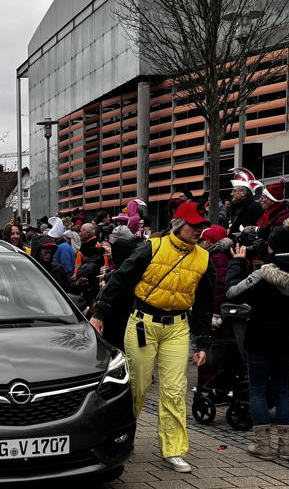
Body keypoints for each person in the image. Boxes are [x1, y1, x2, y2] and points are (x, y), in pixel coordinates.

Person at [90, 201, 214, 472]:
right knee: (138, 385)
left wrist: (202, 341)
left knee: (174, 389)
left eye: (202, 226)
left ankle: (173, 449)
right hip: (143, 323)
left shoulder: (203, 258)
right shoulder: (152, 248)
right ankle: (124, 439)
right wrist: (100, 313)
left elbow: (205, 304)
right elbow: (120, 279)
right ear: (179, 225)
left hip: (177, 327)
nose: (199, 230)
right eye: (194, 225)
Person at [224, 220, 289, 461]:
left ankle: (262, 446)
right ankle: (285, 448)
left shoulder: (262, 275)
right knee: (282, 390)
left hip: (259, 339)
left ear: (273, 249)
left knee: (257, 390)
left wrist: (236, 263)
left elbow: (232, 293)